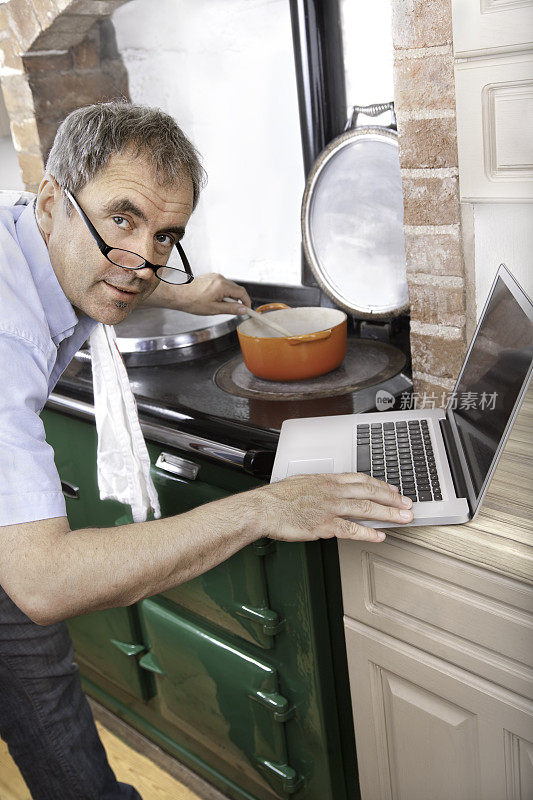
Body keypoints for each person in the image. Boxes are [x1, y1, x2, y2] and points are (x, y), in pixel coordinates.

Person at [0, 101, 413, 799]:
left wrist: (183, 295)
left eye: (166, 236)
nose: (139, 261)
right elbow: (44, 582)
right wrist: (261, 509)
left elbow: (124, 258)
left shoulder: (35, 231)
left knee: (38, 685)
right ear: (51, 204)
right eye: (122, 218)